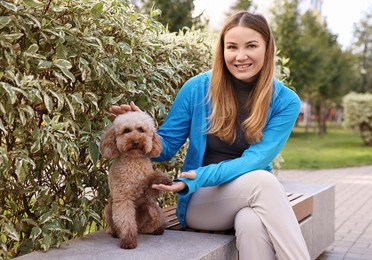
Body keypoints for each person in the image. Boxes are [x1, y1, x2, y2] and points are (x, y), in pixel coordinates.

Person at [109, 11, 310, 260]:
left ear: (268, 49)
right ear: (222, 50)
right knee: (264, 181)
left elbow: (255, 160)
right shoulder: (197, 88)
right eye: (232, 47)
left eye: (251, 46)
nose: (240, 56)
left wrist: (195, 177)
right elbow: (167, 146)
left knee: (251, 223)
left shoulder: (285, 101)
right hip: (202, 199)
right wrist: (143, 131)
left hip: (246, 193)